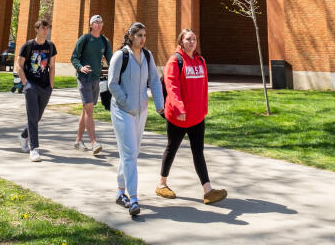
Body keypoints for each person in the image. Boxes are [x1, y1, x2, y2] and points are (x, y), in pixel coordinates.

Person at [155, 28, 227, 205]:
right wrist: (180, 109)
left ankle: (208, 191)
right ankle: (162, 184)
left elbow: (204, 87)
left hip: (196, 117)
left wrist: (204, 109)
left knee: (198, 152)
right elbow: (172, 88)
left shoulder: (200, 60)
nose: (192, 42)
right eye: (188, 39)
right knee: (172, 148)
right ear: (181, 41)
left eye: (194, 39)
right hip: (178, 117)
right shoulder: (175, 61)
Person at [108, 22, 164, 216]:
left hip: (141, 111)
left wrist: (159, 104)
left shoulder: (148, 56)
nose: (143, 38)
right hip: (122, 111)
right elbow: (112, 84)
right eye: (139, 35)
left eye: (144, 35)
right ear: (130, 36)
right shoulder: (120, 56)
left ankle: (120, 191)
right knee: (130, 153)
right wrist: (125, 102)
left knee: (130, 152)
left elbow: (155, 81)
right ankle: (133, 199)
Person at [70, 14, 113, 154]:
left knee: (86, 110)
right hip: (84, 78)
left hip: (96, 78)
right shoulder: (85, 39)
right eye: (96, 22)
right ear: (91, 25)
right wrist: (80, 67)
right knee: (89, 109)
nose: (99, 24)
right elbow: (74, 57)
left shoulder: (104, 41)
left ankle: (78, 141)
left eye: (101, 22)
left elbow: (111, 59)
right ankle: (94, 142)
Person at [16, 19, 57, 162]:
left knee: (37, 117)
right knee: (32, 116)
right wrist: (25, 83)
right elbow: (19, 66)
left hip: (45, 86)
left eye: (47, 28)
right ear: (37, 29)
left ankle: (23, 135)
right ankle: (34, 149)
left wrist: (51, 85)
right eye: (43, 28)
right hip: (31, 85)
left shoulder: (50, 46)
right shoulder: (28, 46)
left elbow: (52, 66)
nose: (46, 30)